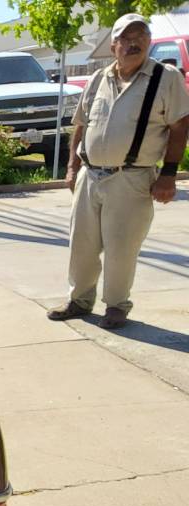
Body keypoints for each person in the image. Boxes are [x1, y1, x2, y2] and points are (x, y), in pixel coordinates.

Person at [48, 13, 189, 329]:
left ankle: (116, 307)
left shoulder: (165, 78)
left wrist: (168, 175)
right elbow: (81, 125)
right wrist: (72, 168)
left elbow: (180, 127)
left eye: (141, 36)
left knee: (121, 248)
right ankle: (79, 300)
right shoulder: (99, 78)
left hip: (132, 177)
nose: (134, 42)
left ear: (149, 42)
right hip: (90, 175)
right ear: (113, 45)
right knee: (81, 245)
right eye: (126, 37)